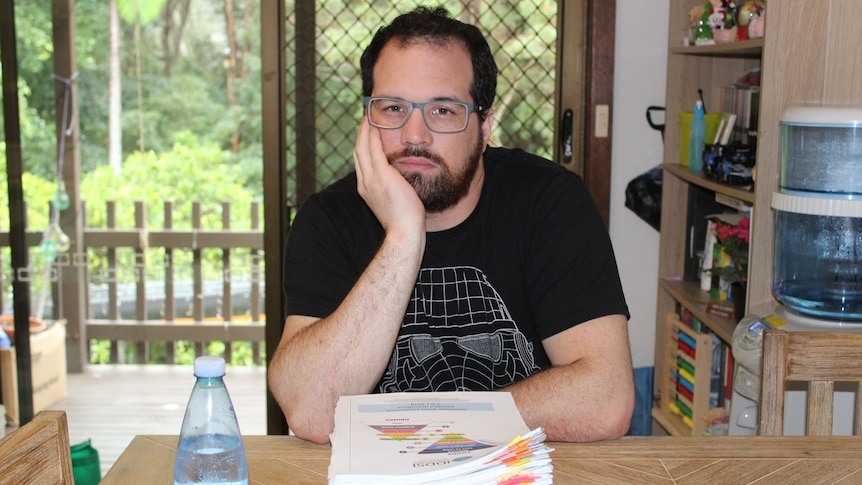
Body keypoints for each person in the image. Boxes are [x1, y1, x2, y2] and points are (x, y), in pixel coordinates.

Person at [269, 6, 634, 445]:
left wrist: (433, 427)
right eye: (392, 107)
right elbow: (310, 413)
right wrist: (404, 235)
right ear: (367, 121)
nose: (414, 135)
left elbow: (606, 401)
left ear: (485, 126)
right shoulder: (327, 218)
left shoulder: (550, 201)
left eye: (442, 110)